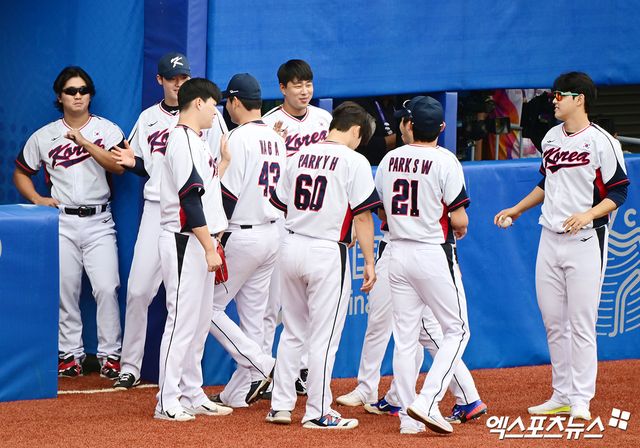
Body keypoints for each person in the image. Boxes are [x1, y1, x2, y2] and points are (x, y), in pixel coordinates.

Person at [494, 72, 629, 421]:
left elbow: (618, 191)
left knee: (581, 323)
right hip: (549, 237)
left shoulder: (602, 141)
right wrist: (518, 209)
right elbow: (547, 182)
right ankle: (562, 394)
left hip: (586, 239)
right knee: (554, 322)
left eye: (559, 95)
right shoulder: (552, 137)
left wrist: (588, 215)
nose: (553, 100)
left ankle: (581, 398)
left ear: (579, 99)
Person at [266, 101, 380, 429]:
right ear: (356, 131)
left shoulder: (300, 154)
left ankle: (280, 406)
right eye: (361, 137)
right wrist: (369, 261)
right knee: (323, 338)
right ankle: (317, 411)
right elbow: (363, 216)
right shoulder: (354, 160)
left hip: (291, 243)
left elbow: (279, 203)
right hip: (326, 251)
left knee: (292, 332)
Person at [14, 66, 125, 379]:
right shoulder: (45, 135)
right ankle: (70, 355)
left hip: (99, 219)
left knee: (107, 287)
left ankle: (110, 355)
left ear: (90, 95)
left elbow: (119, 166)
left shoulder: (107, 130)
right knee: (66, 289)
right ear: (60, 96)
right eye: (71, 91)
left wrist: (84, 142)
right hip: (62, 220)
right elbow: (21, 172)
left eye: (83, 90)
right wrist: (37, 199)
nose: (78, 96)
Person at [375, 96, 472, 435]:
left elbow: (381, 210)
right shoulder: (445, 160)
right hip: (432, 252)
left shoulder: (390, 159)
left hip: (398, 252)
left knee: (405, 339)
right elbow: (460, 218)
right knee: (457, 331)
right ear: (442, 128)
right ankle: (428, 399)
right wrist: (457, 225)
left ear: (409, 125)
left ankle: (407, 418)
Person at [336, 225, 487, 430]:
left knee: (426, 331)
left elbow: (459, 220)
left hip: (418, 249)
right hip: (419, 249)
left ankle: (465, 397)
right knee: (415, 333)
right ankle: (397, 398)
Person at [154, 78, 232, 421]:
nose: (216, 111)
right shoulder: (182, 139)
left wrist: (224, 163)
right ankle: (166, 400)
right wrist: (208, 246)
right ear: (198, 102)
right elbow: (189, 200)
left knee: (199, 324)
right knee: (181, 323)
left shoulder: (196, 140)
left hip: (199, 240)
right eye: (213, 104)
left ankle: (191, 393)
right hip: (186, 241)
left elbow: (207, 190)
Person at [110, 52, 190, 389]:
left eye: (183, 78)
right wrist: (133, 163)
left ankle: (184, 375)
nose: (178, 83)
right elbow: (142, 162)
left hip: (191, 211)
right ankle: (130, 366)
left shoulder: (205, 114)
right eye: (172, 78)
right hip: (157, 208)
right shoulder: (148, 118)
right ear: (160, 80)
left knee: (186, 298)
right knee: (138, 289)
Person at [206, 73, 284, 407]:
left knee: (206, 308)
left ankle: (263, 364)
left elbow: (226, 195)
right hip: (271, 233)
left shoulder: (237, 138)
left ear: (236, 101)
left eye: (228, 101)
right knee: (254, 319)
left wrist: (214, 238)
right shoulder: (276, 137)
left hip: (242, 233)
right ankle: (237, 393)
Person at [261, 59, 333, 395]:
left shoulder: (324, 120)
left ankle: (302, 369)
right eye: (297, 85)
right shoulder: (268, 124)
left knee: (309, 304)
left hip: (315, 220)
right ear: (282, 88)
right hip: (280, 219)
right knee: (273, 302)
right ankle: (263, 368)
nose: (304, 91)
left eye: (308, 84)